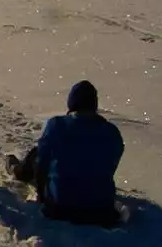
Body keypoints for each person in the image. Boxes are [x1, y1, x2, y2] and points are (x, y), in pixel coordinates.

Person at [8, 81, 125, 227]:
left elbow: (42, 162)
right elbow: (112, 163)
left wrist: (42, 192)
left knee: (38, 152)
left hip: (60, 206)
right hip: (101, 210)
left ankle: (20, 171)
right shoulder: (111, 132)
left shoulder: (57, 125)